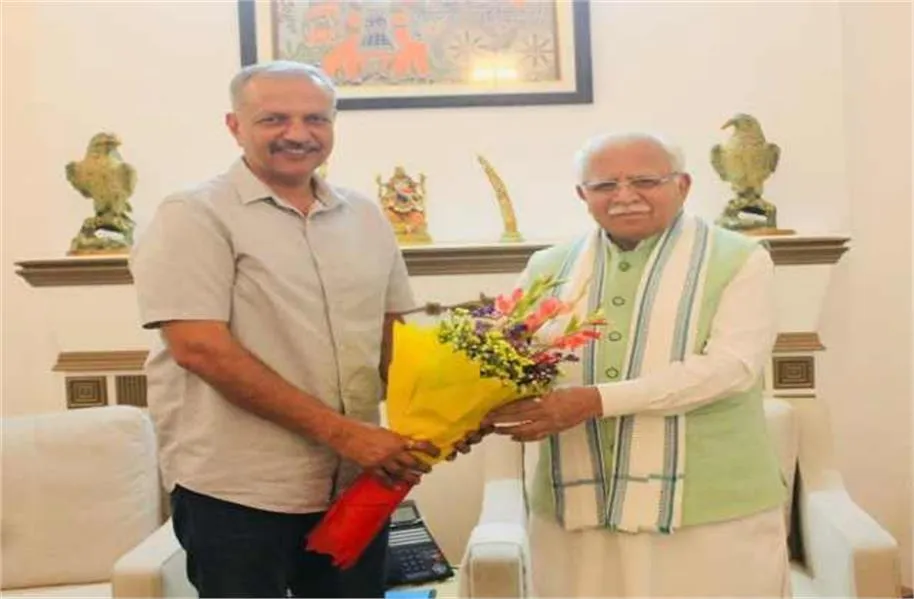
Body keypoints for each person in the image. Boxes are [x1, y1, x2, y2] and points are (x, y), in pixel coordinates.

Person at [129, 61, 441, 599]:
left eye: (315, 119)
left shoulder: (365, 216)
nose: (298, 134)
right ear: (235, 126)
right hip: (238, 490)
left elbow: (393, 336)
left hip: (355, 484)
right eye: (274, 119)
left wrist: (446, 417)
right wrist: (347, 434)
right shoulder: (193, 214)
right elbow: (200, 349)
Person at [483, 133, 789, 597]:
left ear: (682, 185)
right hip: (577, 510)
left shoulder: (740, 259)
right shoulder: (548, 267)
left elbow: (731, 368)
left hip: (710, 510)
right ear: (582, 194)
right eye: (605, 185)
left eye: (645, 181)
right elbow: (509, 357)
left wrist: (594, 401)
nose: (624, 196)